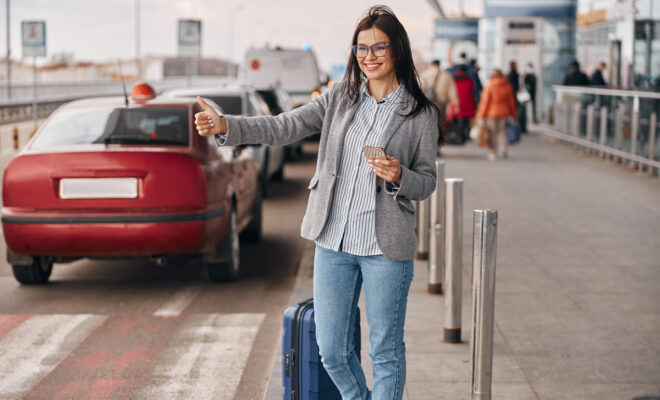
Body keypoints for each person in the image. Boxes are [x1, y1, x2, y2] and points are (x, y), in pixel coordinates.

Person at [195, 6, 440, 399]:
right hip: (334, 241)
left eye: (379, 47)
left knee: (386, 352)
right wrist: (227, 125)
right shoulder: (341, 97)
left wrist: (399, 176)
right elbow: (284, 125)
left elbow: (427, 182)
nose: (369, 56)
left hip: (385, 247)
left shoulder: (420, 113)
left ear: (398, 51)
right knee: (332, 352)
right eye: (361, 48)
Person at [476, 68, 517, 161]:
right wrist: (513, 113)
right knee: (502, 131)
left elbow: (485, 102)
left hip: (491, 113)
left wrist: (481, 115)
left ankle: (493, 152)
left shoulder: (489, 86)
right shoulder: (507, 86)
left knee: (492, 133)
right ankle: (503, 148)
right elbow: (511, 101)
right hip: (504, 112)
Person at [420, 59, 459, 128]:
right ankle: (439, 137)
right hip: (441, 104)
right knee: (440, 125)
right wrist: (456, 104)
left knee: (427, 125)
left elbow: (419, 90)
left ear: (432, 64)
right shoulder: (447, 75)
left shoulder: (424, 74)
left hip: (427, 103)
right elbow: (452, 92)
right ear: (439, 65)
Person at [449, 64, 476, 141]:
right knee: (466, 119)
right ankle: (465, 134)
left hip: (456, 101)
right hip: (467, 101)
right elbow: (472, 90)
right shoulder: (469, 79)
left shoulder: (453, 78)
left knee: (456, 118)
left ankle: (458, 134)